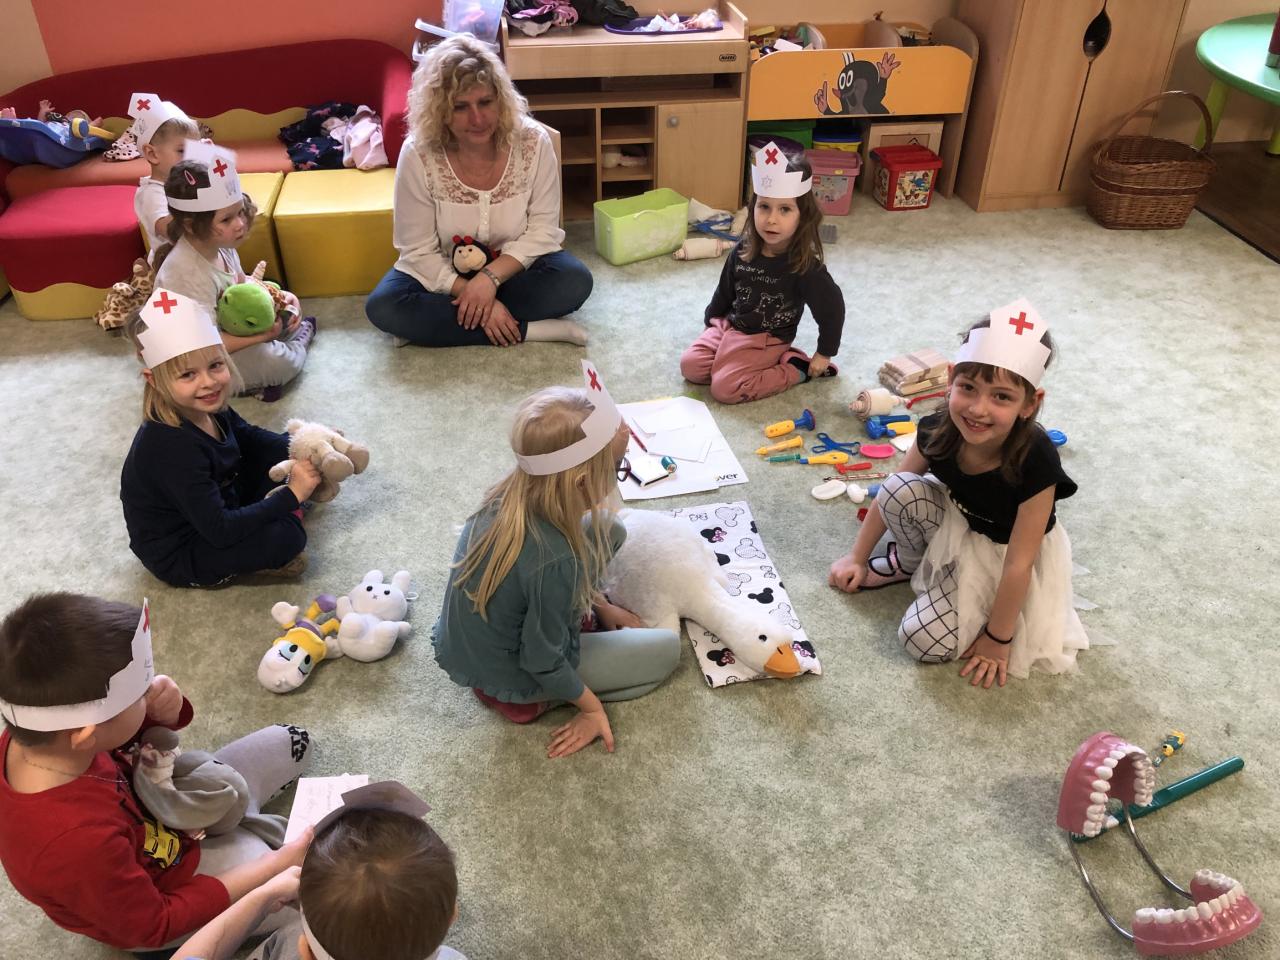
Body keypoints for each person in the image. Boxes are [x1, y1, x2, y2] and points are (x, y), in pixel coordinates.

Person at [0, 593, 314, 952]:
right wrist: (272, 867)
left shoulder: (42, 736)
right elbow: (154, 924)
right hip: (163, 894)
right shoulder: (72, 846)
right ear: (86, 735)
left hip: (159, 801)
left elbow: (119, 738)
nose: (150, 690)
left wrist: (162, 712)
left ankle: (249, 834)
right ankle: (257, 849)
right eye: (139, 694)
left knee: (293, 740)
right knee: (312, 899)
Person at [828, 300, 1088, 688]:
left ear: (1030, 404)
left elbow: (1019, 563)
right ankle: (910, 563)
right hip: (958, 518)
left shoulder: (1037, 459)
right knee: (899, 488)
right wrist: (857, 556)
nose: (978, 409)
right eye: (968, 388)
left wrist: (999, 638)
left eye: (1001, 397)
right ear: (951, 379)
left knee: (921, 640)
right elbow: (891, 491)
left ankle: (972, 599)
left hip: (1005, 556)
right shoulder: (938, 427)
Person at [433, 362, 681, 758]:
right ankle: (532, 700)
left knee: (609, 529)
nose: (618, 477)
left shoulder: (504, 495)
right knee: (666, 651)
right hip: (515, 672)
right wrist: (590, 709)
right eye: (617, 467)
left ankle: (579, 625)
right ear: (582, 481)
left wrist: (600, 605)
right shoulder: (555, 561)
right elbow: (541, 658)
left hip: (476, 648)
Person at [365, 34, 593, 349]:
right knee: (384, 306)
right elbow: (416, 250)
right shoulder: (418, 152)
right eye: (460, 107)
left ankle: (433, 327)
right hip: (445, 273)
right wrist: (469, 291)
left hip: (512, 270)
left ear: (500, 98)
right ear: (440, 111)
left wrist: (489, 280)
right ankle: (528, 329)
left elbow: (544, 232)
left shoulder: (532, 141)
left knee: (574, 281)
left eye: (485, 102)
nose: (477, 118)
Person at [120, 288, 321, 586]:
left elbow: (249, 438)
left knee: (278, 454)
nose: (209, 382)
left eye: (215, 365)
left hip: (220, 497)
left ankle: (283, 504)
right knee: (287, 537)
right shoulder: (169, 448)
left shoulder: (207, 406)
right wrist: (292, 495)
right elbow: (220, 530)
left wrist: (303, 446)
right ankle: (287, 514)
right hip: (185, 548)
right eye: (187, 375)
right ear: (155, 381)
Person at [174, 782, 465, 960]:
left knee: (288, 933)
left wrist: (262, 896)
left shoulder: (297, 946)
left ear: (307, 952)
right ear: (452, 914)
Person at [680, 143, 845, 404]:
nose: (771, 219)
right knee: (691, 367)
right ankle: (733, 358)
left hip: (767, 338)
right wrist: (712, 321)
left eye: (785, 209)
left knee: (725, 389)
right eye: (764, 207)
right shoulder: (742, 250)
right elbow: (725, 291)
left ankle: (795, 368)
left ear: (802, 216)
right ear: (753, 208)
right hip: (732, 325)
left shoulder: (805, 267)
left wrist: (824, 352)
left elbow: (832, 308)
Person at [155, 140, 313, 400]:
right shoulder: (184, 273)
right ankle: (295, 348)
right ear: (191, 225)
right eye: (227, 219)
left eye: (240, 212)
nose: (240, 224)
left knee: (288, 308)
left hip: (229, 332)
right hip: (195, 356)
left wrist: (277, 298)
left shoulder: (220, 245)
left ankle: (277, 354)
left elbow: (242, 286)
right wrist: (263, 336)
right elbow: (201, 344)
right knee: (278, 363)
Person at [127, 91, 200, 259]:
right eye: (182, 151)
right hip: (175, 267)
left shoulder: (187, 183)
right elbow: (171, 231)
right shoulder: (152, 194)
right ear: (152, 154)